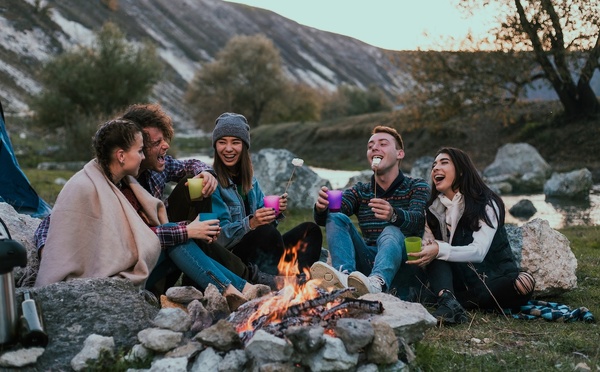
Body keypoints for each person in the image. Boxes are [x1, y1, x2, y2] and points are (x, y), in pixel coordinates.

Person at [34, 103, 276, 289]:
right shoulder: (98, 185)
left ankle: (242, 286)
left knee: (189, 205)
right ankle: (246, 286)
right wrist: (52, 251)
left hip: (151, 254)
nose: (165, 147)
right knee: (180, 240)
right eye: (152, 144)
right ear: (126, 151)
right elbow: (56, 221)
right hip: (122, 268)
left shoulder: (147, 171)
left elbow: (186, 165)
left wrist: (205, 172)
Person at [409, 147, 535, 325]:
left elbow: (478, 252)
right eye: (434, 165)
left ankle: (447, 300)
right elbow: (431, 246)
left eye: (444, 163)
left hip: (493, 278)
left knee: (523, 283)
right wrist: (427, 248)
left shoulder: (487, 203)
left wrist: (439, 249)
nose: (435, 168)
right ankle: (448, 300)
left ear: (461, 170)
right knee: (434, 253)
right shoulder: (433, 209)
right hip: (459, 281)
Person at [310, 125, 430, 297]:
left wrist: (393, 215)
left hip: (404, 264)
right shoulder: (361, 190)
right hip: (367, 263)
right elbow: (330, 216)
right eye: (370, 146)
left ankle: (377, 282)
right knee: (336, 216)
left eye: (383, 144)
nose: (374, 147)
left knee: (391, 230)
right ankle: (343, 277)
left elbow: (418, 219)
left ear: (399, 154)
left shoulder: (416, 186)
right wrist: (322, 208)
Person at [210, 112, 323, 278]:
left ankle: (301, 279)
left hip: (261, 253)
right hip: (234, 259)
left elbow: (267, 229)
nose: (228, 148)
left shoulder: (252, 182)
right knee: (266, 233)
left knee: (311, 230)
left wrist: (274, 214)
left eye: (235, 142)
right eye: (222, 142)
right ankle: (281, 281)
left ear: (244, 146)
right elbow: (218, 240)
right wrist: (252, 222)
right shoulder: (212, 183)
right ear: (215, 146)